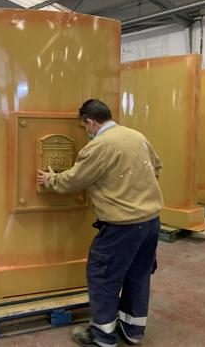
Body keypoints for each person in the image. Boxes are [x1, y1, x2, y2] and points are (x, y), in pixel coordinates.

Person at [37, 99, 163, 347]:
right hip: (150, 222)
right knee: (138, 275)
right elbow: (156, 167)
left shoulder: (99, 146)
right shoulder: (136, 136)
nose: (87, 132)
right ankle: (133, 331)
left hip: (121, 227)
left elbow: (74, 180)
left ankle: (103, 335)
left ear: (90, 122)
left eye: (85, 127)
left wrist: (50, 179)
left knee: (103, 275)